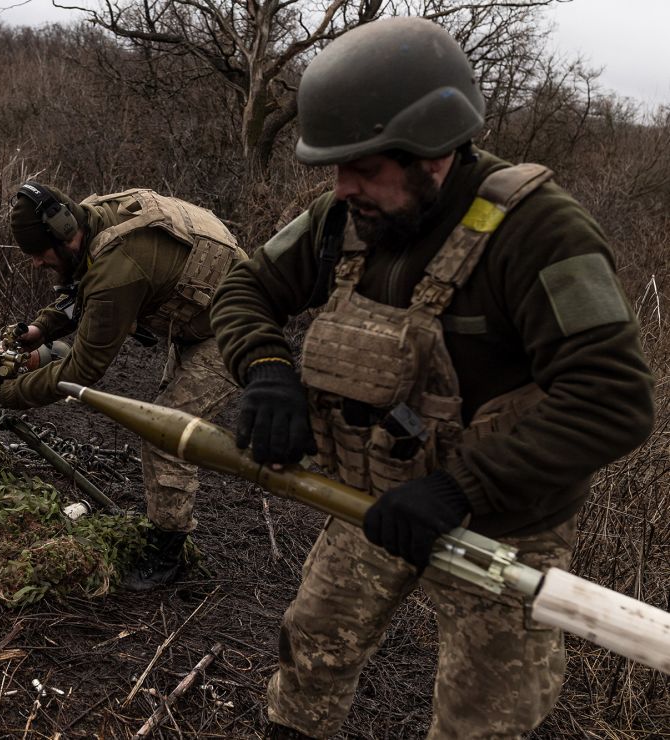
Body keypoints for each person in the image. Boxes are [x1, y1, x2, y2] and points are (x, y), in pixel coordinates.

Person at [209, 17, 655, 740]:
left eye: (365, 165)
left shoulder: (542, 233)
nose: (341, 184)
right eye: (335, 165)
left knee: (485, 718)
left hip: (503, 527)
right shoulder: (344, 217)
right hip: (373, 499)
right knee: (311, 651)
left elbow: (614, 398)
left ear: (435, 151)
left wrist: (460, 489)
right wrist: (264, 370)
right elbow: (243, 289)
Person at [0, 182, 244, 591]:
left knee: (167, 435)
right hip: (201, 315)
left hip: (238, 327)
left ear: (61, 234)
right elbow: (82, 285)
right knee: (165, 425)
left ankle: (168, 552)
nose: (38, 265)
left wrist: (2, 395)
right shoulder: (91, 218)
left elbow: (83, 368)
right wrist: (42, 327)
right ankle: (163, 526)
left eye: (40, 255)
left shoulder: (119, 269)